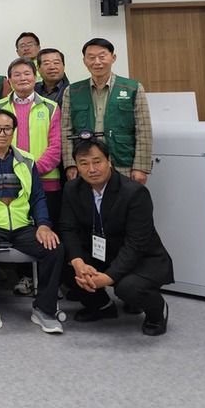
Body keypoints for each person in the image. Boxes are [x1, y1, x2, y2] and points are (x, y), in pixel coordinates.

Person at [0, 109, 64, 337]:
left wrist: (43, 225)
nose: (2, 133)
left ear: (13, 131)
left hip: (22, 225)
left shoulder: (27, 160)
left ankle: (44, 309)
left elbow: (37, 196)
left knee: (54, 248)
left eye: (7, 128)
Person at [59, 137, 173, 335]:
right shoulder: (72, 189)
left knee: (128, 287)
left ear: (109, 161)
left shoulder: (134, 193)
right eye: (83, 164)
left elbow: (136, 244)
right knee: (62, 260)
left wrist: (109, 277)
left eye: (97, 161)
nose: (91, 169)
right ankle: (103, 306)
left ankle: (157, 311)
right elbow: (67, 228)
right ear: (76, 166)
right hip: (101, 253)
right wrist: (78, 263)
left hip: (141, 257)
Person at [0, 58, 62, 297]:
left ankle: (48, 285)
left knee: (46, 231)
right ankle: (24, 277)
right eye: (16, 75)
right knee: (18, 229)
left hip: (47, 180)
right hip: (8, 182)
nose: (22, 78)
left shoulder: (51, 107)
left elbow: (56, 146)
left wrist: (32, 171)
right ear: (9, 80)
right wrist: (17, 174)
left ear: (36, 77)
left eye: (27, 73)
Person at [61, 38, 153, 184]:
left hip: (122, 161)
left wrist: (141, 167)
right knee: (89, 205)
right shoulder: (73, 91)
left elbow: (143, 130)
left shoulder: (132, 88)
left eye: (102, 56)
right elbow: (66, 130)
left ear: (113, 57)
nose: (97, 62)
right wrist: (70, 164)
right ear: (84, 61)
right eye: (91, 57)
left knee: (124, 204)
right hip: (86, 164)